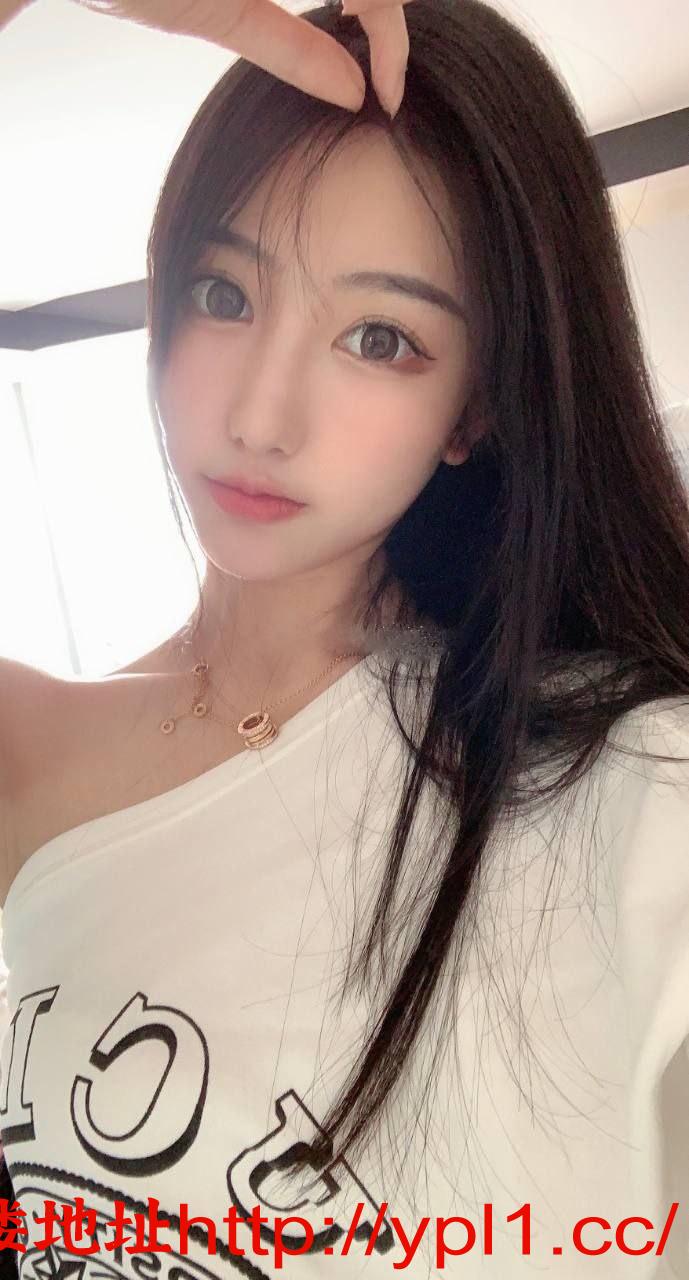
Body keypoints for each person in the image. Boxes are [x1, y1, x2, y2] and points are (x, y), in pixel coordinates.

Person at [1, 0, 689, 1276]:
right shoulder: (24, 737)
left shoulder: (633, 785)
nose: (259, 417)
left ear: (471, 408)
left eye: (380, 338)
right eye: (222, 292)